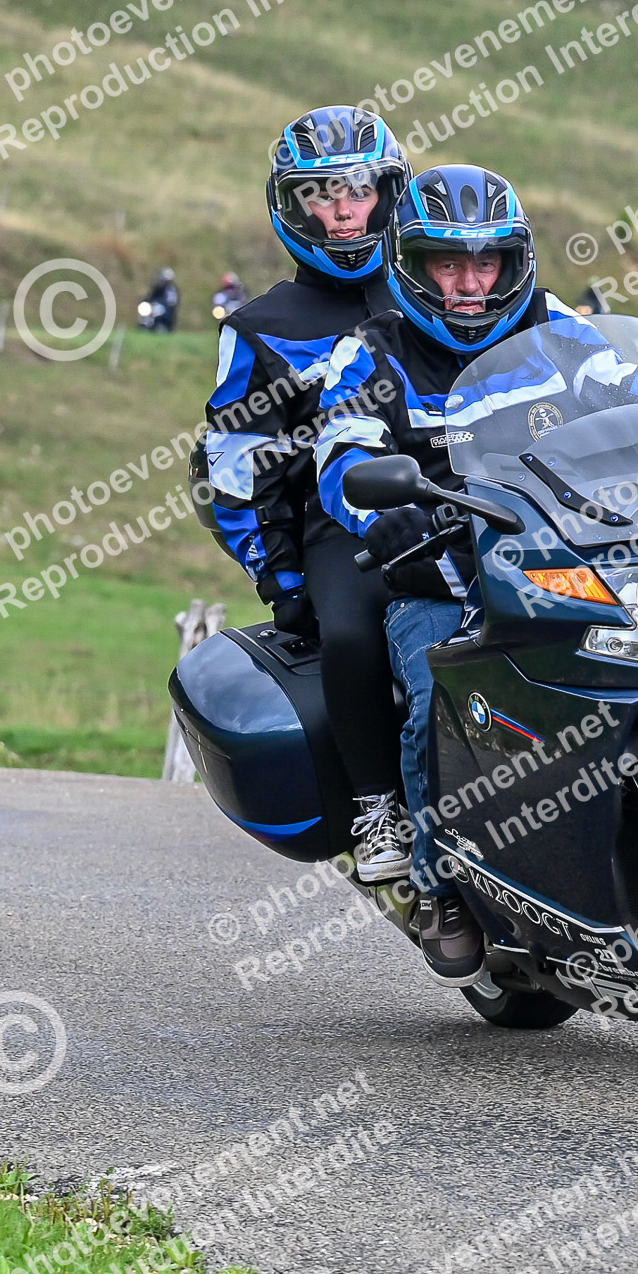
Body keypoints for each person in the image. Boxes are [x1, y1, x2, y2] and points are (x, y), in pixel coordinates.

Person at [315, 165, 638, 984]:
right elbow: (341, 449)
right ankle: (437, 883)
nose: (471, 285)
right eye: (449, 264)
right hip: (445, 577)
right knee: (438, 703)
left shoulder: (559, 327)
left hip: (578, 560)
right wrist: (380, 511)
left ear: (516, 263)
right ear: (411, 265)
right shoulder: (371, 352)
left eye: (487, 263)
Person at [203, 106, 412, 883]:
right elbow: (234, 464)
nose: (344, 210)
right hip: (337, 528)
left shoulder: (438, 292)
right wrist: (281, 580)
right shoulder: (259, 327)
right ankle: (377, 807)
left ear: (390, 195)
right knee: (352, 634)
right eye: (322, 194)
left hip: (461, 503)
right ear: (290, 207)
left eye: (359, 190)